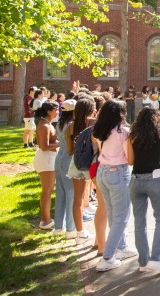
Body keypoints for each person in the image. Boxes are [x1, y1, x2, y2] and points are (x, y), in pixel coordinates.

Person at [127, 107, 160, 273]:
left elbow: (130, 161)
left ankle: (143, 261)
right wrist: (157, 157)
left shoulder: (132, 136)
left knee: (139, 222)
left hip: (136, 179)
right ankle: (156, 258)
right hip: (154, 179)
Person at [93, 100, 137, 272]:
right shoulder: (123, 132)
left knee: (113, 213)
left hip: (102, 172)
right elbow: (131, 159)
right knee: (122, 215)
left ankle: (121, 247)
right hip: (117, 172)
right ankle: (108, 256)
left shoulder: (100, 130)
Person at [66, 98, 97, 244]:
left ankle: (80, 233)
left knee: (77, 198)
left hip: (77, 162)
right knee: (103, 200)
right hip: (93, 163)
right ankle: (101, 237)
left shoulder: (70, 126)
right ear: (91, 109)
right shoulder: (93, 122)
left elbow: (70, 151)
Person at [34, 101, 60, 230]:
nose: (58, 112)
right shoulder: (44, 125)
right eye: (56, 109)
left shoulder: (47, 123)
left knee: (48, 190)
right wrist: (62, 144)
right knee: (47, 190)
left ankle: (46, 219)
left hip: (49, 158)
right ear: (49, 111)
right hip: (46, 159)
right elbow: (44, 146)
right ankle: (45, 220)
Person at [53, 100, 77, 238]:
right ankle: (70, 228)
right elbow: (70, 148)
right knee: (71, 194)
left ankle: (58, 227)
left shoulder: (60, 123)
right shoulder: (70, 124)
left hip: (59, 157)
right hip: (67, 158)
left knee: (61, 193)